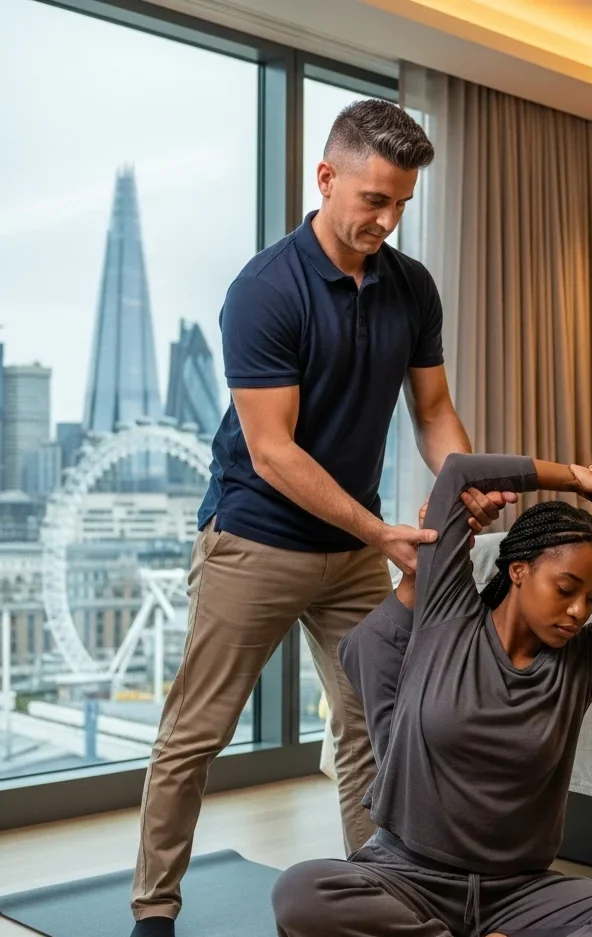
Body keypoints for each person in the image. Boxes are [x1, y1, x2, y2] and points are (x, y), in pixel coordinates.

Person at [129, 100, 514, 937]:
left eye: (402, 204)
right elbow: (272, 451)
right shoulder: (266, 289)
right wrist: (381, 534)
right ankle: (154, 912)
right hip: (255, 539)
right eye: (374, 199)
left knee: (369, 728)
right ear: (327, 177)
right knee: (196, 734)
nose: (388, 219)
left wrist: (467, 480)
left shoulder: (411, 286)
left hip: (350, 550)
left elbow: (435, 409)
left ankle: (379, 894)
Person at [271, 453, 592, 937]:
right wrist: (580, 481)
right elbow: (460, 473)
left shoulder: (586, 660)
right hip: (407, 876)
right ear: (518, 570)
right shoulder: (447, 617)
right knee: (302, 890)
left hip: (519, 893)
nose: (579, 609)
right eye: (566, 588)